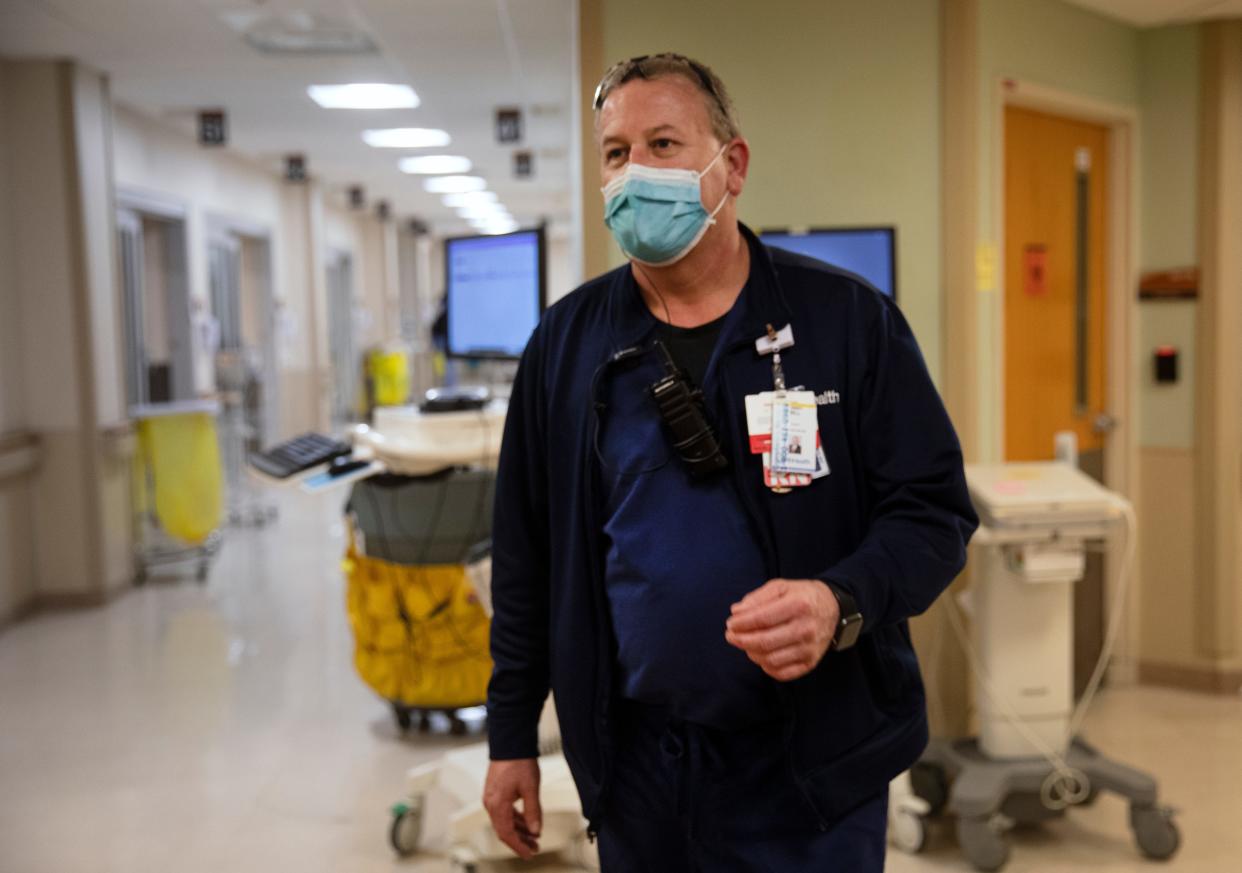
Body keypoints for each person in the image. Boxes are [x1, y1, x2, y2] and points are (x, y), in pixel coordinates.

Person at [482, 53, 977, 871]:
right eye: (616, 152)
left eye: (664, 143)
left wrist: (838, 600)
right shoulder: (567, 346)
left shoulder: (845, 321)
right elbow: (527, 558)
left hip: (812, 760)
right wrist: (510, 737)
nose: (635, 171)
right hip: (639, 764)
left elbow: (933, 511)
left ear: (731, 163)